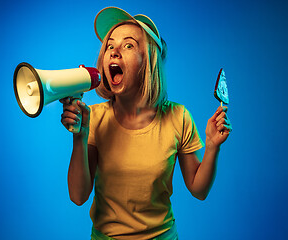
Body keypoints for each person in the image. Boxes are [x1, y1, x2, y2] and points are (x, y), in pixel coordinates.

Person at [60, 7, 232, 240]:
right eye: (110, 45)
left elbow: (199, 190)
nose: (114, 52)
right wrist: (79, 137)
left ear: (148, 61)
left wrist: (212, 146)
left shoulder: (178, 117)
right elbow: (78, 196)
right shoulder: (94, 118)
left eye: (128, 45)